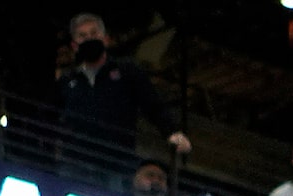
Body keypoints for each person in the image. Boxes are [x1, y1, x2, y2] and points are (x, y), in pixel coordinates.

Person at [53, 13, 190, 172]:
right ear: (74, 46)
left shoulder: (127, 71)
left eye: (93, 33)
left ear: (105, 39)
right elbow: (51, 115)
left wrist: (172, 132)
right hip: (75, 162)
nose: (89, 39)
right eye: (82, 36)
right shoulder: (67, 80)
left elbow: (153, 105)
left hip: (118, 163)